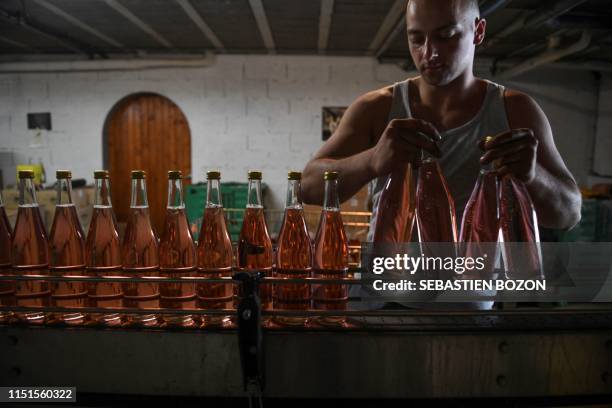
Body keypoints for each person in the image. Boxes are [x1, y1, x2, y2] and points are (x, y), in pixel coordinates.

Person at [301, 0, 582, 309]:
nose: (429, 53)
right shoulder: (377, 108)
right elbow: (309, 186)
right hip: (384, 304)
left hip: (469, 308)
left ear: (478, 31)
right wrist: (371, 161)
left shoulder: (515, 110)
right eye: (416, 38)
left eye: (446, 35)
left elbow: (568, 215)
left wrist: (533, 177)